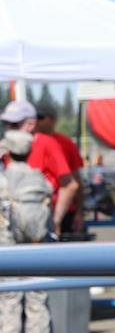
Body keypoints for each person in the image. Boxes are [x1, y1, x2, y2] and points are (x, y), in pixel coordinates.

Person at [0, 123, 56, 333]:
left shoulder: (3, 180)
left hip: (8, 243)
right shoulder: (40, 179)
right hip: (37, 243)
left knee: (9, 294)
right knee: (37, 293)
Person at [1, 99, 78, 238]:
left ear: (30, 124)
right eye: (6, 124)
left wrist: (55, 220)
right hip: (11, 223)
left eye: (14, 125)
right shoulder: (6, 147)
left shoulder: (47, 144)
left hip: (38, 221)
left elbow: (69, 185)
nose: (8, 129)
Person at [35, 108, 83, 236]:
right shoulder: (22, 144)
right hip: (35, 212)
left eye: (40, 117)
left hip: (62, 211)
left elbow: (75, 180)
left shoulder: (64, 143)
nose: (36, 121)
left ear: (53, 120)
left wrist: (79, 212)